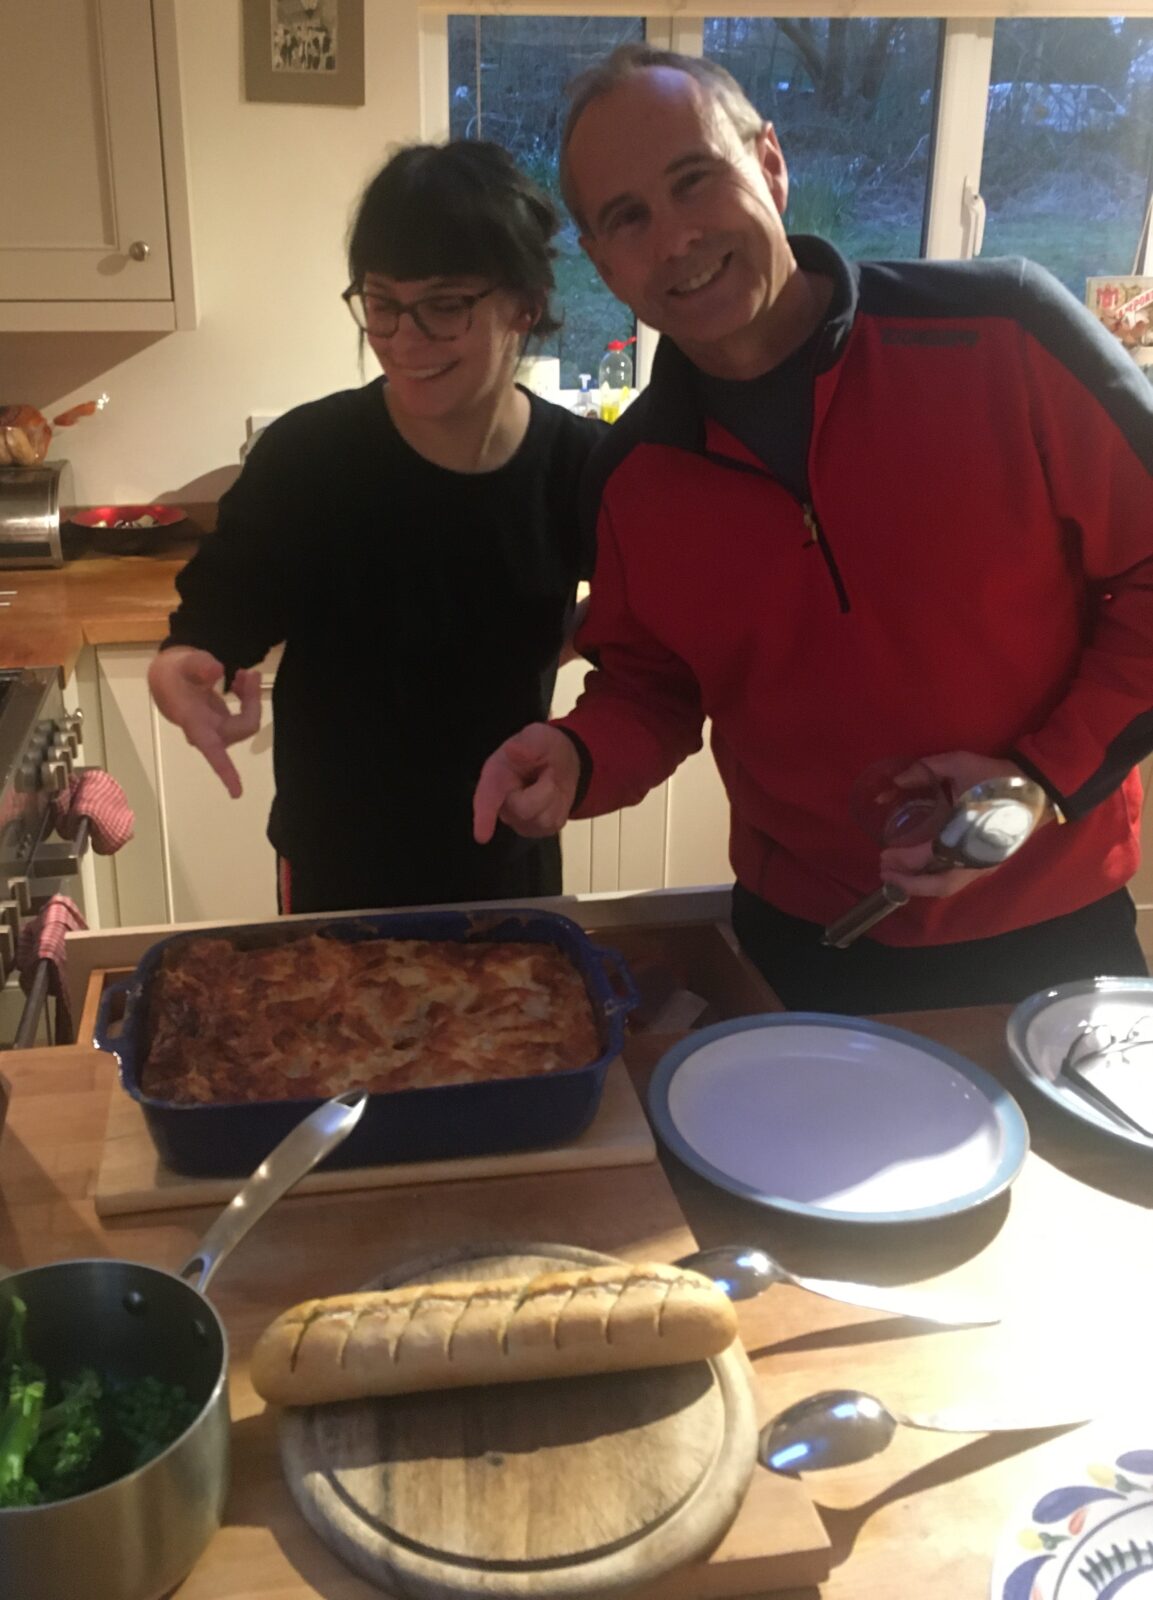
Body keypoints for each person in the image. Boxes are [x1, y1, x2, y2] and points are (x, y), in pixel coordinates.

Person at [472, 44, 1153, 1015]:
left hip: (1051, 923)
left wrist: (1040, 778)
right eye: (628, 218)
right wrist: (578, 755)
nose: (674, 239)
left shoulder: (1003, 333)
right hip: (804, 948)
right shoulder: (631, 478)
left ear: (771, 164)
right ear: (600, 261)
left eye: (694, 180)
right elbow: (651, 686)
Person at [150, 140, 603, 914]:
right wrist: (180, 669)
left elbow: (642, 624)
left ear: (524, 303)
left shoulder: (578, 466)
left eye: (444, 305)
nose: (402, 337)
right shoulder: (308, 457)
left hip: (507, 851)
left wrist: (566, 648)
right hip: (337, 861)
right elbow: (221, 613)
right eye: (382, 302)